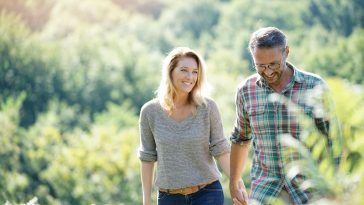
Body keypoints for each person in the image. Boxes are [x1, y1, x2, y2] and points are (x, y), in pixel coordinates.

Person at [229, 27, 331, 205]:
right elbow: (241, 138)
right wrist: (234, 183)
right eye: (260, 66)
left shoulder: (314, 85)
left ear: (286, 52)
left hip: (309, 188)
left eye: (274, 64)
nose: (268, 71)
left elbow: (333, 141)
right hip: (265, 188)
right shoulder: (245, 90)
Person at [138, 47, 231, 205]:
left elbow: (220, 148)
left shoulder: (207, 107)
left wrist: (237, 182)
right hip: (169, 198)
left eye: (195, 71)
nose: (190, 77)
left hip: (208, 194)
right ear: (170, 72)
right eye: (184, 70)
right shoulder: (150, 112)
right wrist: (146, 201)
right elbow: (147, 158)